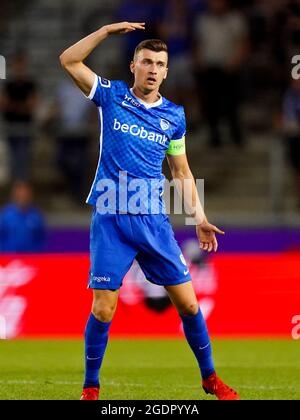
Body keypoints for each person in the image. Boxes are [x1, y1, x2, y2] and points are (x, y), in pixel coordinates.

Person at [59, 21, 239, 401]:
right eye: (147, 61)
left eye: (160, 63)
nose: (153, 69)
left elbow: (181, 170)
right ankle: (90, 387)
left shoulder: (174, 116)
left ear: (167, 70)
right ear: (133, 66)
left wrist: (200, 218)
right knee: (104, 310)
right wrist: (106, 32)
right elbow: (69, 60)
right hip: (110, 215)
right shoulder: (111, 96)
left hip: (152, 219)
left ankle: (210, 379)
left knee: (189, 304)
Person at [0, 54, 38, 181]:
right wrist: (21, 107)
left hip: (25, 128)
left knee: (23, 158)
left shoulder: (30, 84)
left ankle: (21, 183)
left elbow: (31, 106)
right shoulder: (8, 85)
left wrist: (13, 106)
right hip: (11, 127)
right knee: (11, 159)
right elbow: (4, 105)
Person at [0, 181, 46, 252]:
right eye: (20, 194)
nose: (23, 197)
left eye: (25, 194)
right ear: (15, 195)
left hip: (31, 258)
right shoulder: (5, 215)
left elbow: (41, 239)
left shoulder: (36, 215)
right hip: (9, 258)